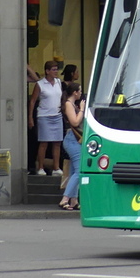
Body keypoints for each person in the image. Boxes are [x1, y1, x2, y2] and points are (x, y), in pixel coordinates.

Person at [28, 60, 63, 175]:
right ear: (47, 71)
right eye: (53, 69)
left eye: (56, 69)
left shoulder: (58, 82)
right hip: (44, 116)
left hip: (57, 115)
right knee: (44, 142)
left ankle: (56, 167)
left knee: (57, 142)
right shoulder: (40, 84)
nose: (56, 72)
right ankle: (41, 167)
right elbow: (33, 101)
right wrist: (30, 117)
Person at [60, 81, 85, 211]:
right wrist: (81, 109)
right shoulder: (69, 104)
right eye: (79, 91)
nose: (81, 93)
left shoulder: (71, 104)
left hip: (73, 140)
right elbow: (74, 122)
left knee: (74, 171)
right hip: (72, 140)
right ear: (75, 93)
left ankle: (74, 200)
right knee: (79, 171)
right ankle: (65, 199)